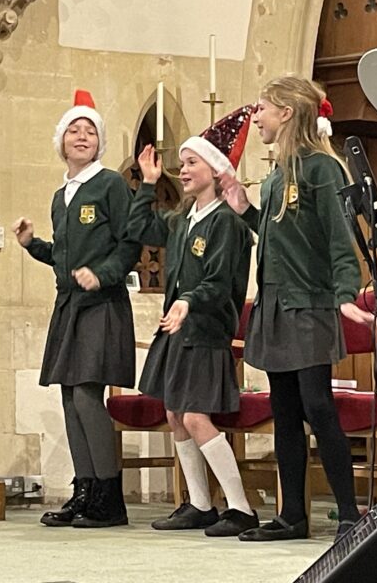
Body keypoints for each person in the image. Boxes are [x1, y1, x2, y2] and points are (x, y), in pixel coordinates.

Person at [219, 76, 374, 542]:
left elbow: (338, 236)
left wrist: (345, 292)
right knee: (285, 412)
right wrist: (246, 211)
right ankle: (292, 516)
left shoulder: (322, 169)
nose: (256, 117)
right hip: (276, 306)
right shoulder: (276, 174)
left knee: (317, 406)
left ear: (286, 113)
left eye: (262, 108)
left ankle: (348, 514)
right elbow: (280, 237)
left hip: (308, 305)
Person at [125, 107, 259, 537]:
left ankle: (240, 507)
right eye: (181, 163)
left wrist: (187, 300)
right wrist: (149, 182)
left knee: (197, 417)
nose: (182, 170)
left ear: (215, 170)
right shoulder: (184, 219)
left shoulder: (227, 223)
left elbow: (219, 282)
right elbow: (139, 226)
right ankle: (200, 504)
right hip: (179, 330)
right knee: (175, 413)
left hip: (205, 331)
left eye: (191, 162)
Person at [14, 90, 141, 527]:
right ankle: (84, 491)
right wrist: (33, 245)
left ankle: (109, 497)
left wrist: (102, 274)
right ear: (61, 141)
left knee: (88, 394)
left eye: (90, 131)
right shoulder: (61, 195)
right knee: (69, 397)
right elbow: (64, 255)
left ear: (99, 142)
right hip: (69, 304)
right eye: (74, 130)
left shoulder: (110, 184)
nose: (82, 136)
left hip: (102, 303)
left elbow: (130, 243)